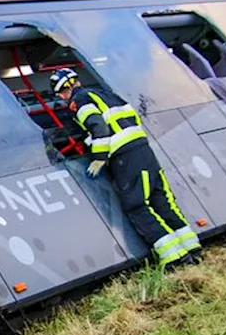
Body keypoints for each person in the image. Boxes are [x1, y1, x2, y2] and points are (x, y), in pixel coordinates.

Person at [51, 68, 201, 269]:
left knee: (136, 205)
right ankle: (192, 248)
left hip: (124, 157)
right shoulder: (106, 94)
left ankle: (173, 257)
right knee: (161, 200)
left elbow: (99, 127)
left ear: (66, 89)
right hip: (143, 150)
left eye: (60, 94)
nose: (61, 98)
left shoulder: (81, 101)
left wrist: (99, 158)